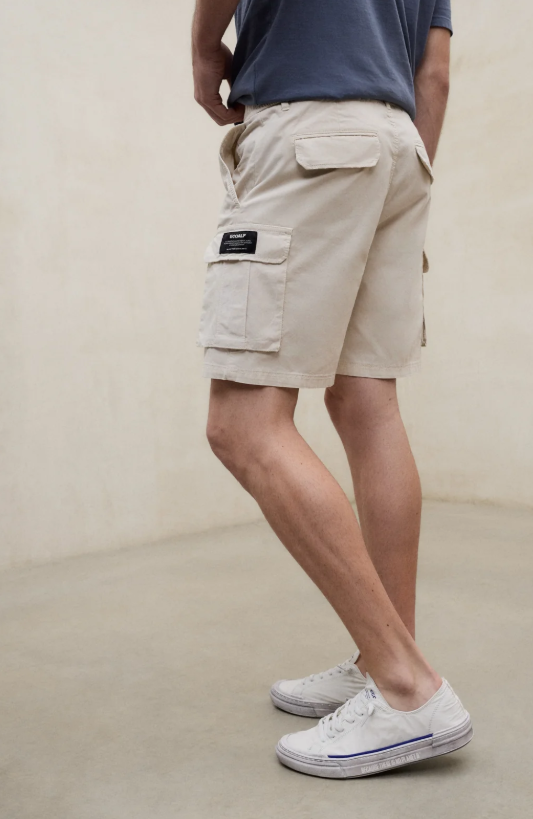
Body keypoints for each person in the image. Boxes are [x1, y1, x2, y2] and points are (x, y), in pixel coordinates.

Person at [192, 0, 472, 779]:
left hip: (310, 134)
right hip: (400, 148)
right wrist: (399, 180)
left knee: (242, 424)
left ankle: (406, 684)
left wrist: (205, 50)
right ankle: (384, 659)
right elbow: (436, 75)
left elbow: (215, 35)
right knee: (366, 402)